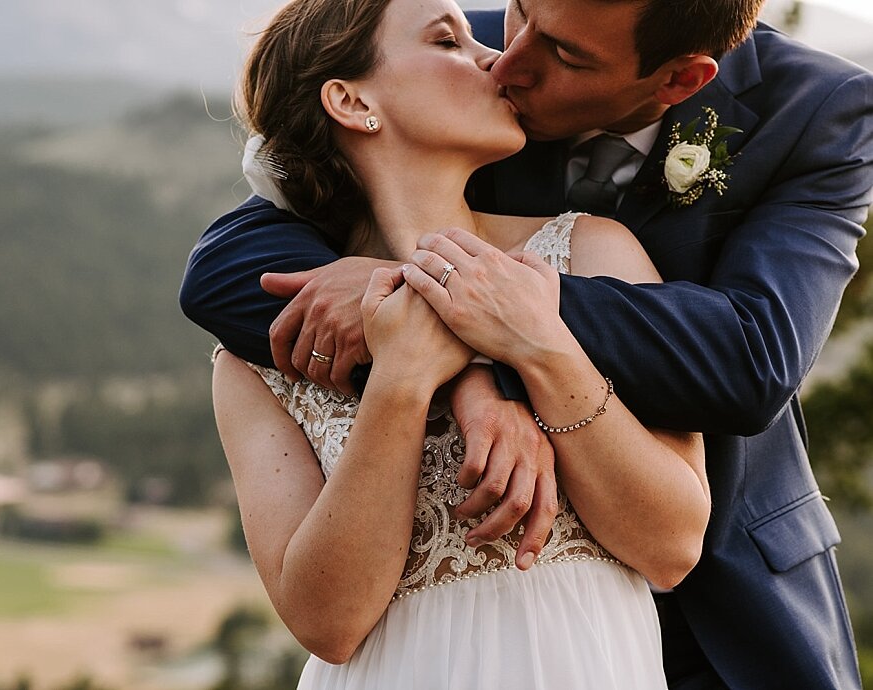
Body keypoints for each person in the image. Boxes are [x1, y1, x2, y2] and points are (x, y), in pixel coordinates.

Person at [183, 0, 871, 686]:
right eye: (517, 10)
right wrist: (445, 351)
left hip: (726, 615)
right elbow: (221, 265)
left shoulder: (818, 112)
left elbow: (753, 359)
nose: (505, 63)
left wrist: (506, 331)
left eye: (568, 56)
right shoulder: (476, 53)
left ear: (678, 82)